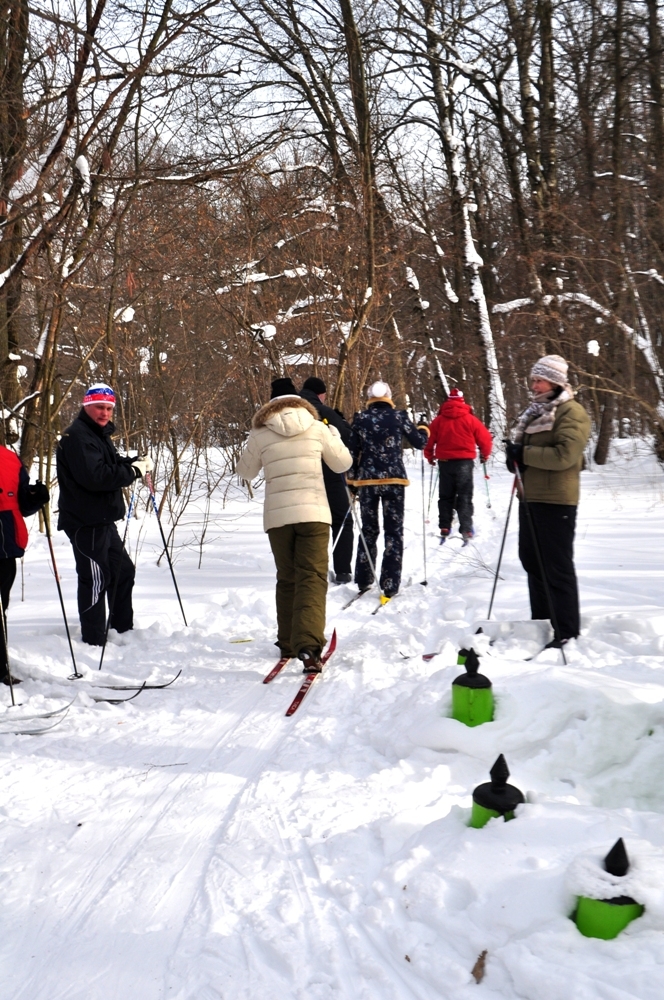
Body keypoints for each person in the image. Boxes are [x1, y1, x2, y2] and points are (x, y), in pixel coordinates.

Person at [236, 376, 352, 671]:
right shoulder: (317, 426)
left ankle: (288, 642)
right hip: (314, 513)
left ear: (270, 403)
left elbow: (245, 472)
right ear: (298, 401)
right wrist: (335, 436)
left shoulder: (260, 433)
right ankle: (309, 645)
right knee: (312, 577)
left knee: (287, 577)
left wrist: (253, 445)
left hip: (278, 518)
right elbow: (343, 464)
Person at [56, 383, 153, 646]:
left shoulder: (97, 434)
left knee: (123, 572)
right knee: (96, 579)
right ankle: (94, 640)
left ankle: (122, 629)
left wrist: (133, 462)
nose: (105, 413)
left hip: (103, 519)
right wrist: (131, 472)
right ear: (86, 406)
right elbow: (95, 476)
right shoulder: (77, 437)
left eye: (109, 408)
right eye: (100, 407)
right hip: (85, 521)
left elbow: (108, 463)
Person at [505, 355, 591, 648]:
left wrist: (524, 454)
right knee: (532, 561)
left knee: (556, 567)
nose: (534, 385)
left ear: (555, 382)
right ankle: (541, 621)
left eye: (539, 380)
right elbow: (529, 453)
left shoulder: (571, 412)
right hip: (531, 498)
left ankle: (566, 631)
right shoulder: (536, 412)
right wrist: (515, 457)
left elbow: (564, 456)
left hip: (556, 501)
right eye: (533, 380)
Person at [348, 381, 429, 598]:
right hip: (394, 481)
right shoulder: (399, 416)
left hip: (367, 482)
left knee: (368, 529)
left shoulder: (361, 419)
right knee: (394, 531)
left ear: (370, 397)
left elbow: (351, 451)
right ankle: (390, 583)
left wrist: (351, 482)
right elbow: (420, 443)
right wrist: (423, 428)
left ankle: (364, 579)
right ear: (389, 396)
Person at [0, 448, 49, 684]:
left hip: (6, 546)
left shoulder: (9, 458)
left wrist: (35, 497)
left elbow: (21, 504)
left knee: (0, 609)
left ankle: (0, 669)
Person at [299, 375, 354, 584]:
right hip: (330, 473)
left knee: (309, 522)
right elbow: (348, 438)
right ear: (320, 395)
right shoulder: (325, 412)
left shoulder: (292, 413)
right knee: (342, 520)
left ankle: (310, 569)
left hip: (301, 476)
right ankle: (342, 570)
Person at [424, 387, 492, 542]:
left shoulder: (438, 421)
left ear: (448, 401)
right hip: (464, 463)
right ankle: (466, 528)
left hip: (445, 463)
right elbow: (485, 438)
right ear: (462, 401)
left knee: (445, 495)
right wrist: (485, 454)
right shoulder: (471, 419)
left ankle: (445, 526)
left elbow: (428, 440)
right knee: (464, 495)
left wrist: (430, 456)